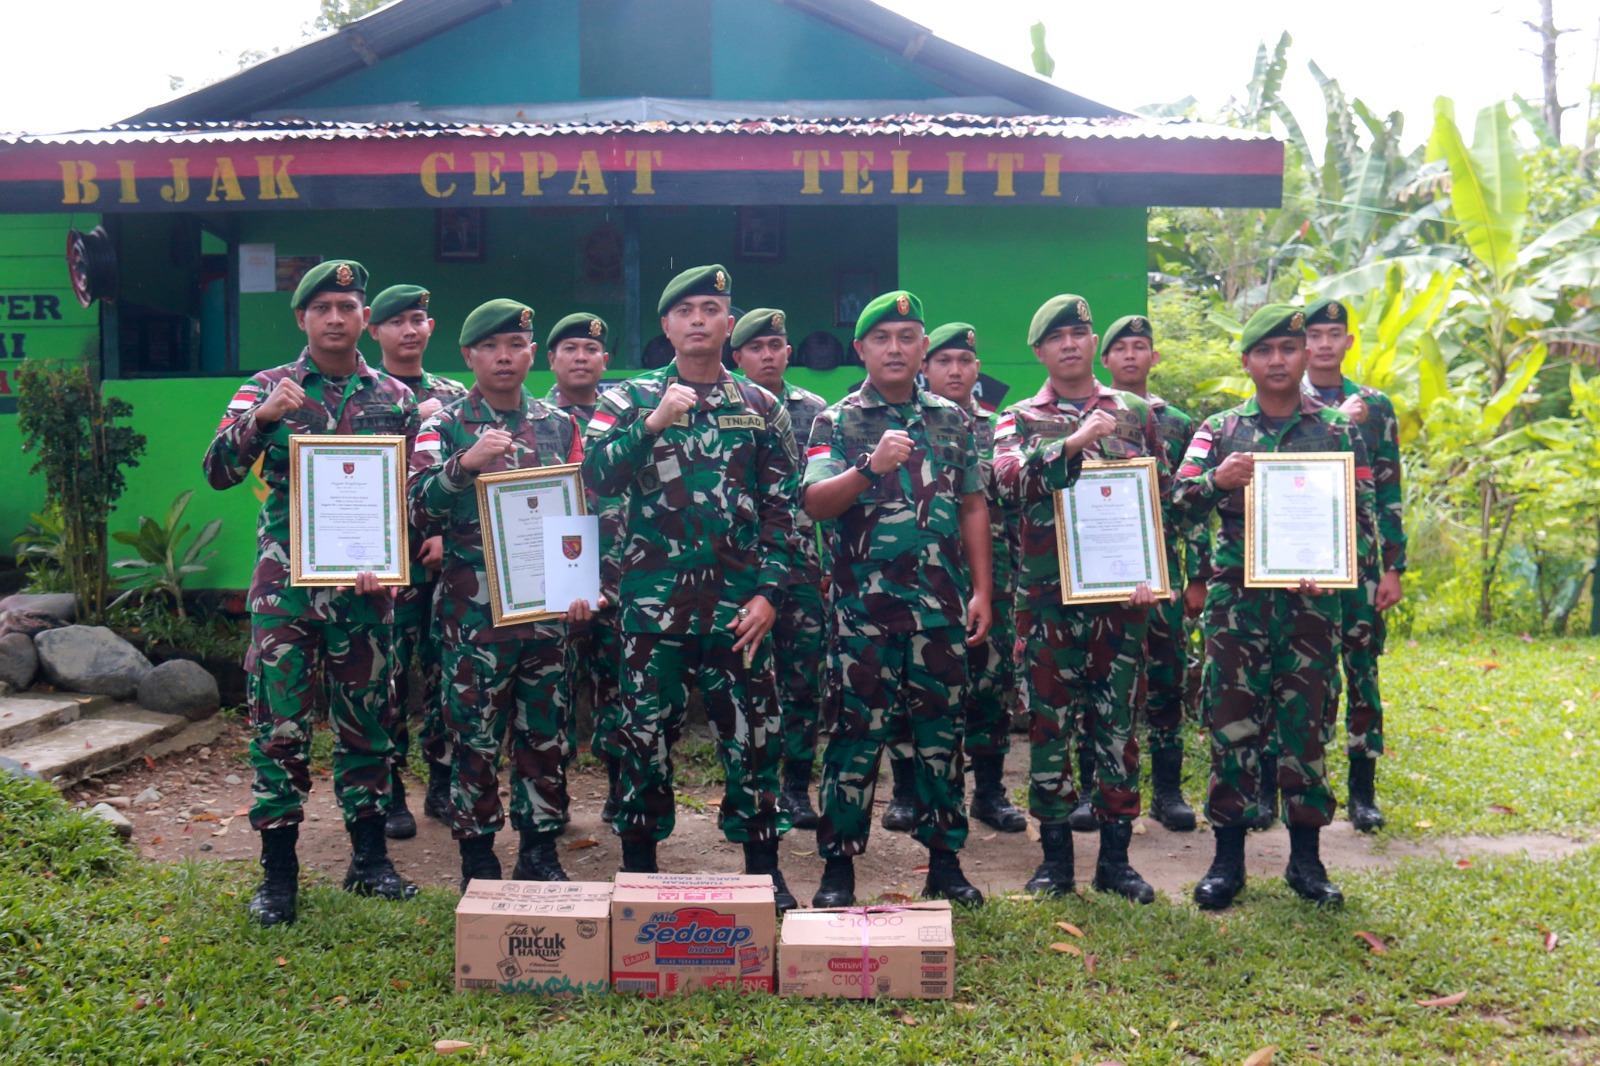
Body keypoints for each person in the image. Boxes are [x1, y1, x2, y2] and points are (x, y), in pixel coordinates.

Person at [203, 259, 418, 927]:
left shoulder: (395, 399)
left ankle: (370, 860)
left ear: (363, 319)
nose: (334, 317)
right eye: (321, 306)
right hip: (286, 593)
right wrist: (262, 420)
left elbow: (410, 493)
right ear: (302, 318)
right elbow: (218, 471)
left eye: (346, 306)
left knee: (368, 725)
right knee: (280, 729)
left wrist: (393, 556)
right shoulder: (265, 387)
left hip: (366, 591)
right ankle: (279, 875)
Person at [580, 265, 800, 911]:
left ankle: (765, 871)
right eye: (686, 309)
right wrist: (650, 423)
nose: (699, 319)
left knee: (755, 738)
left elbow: (782, 508)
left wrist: (770, 594)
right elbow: (595, 477)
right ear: (667, 325)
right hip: (653, 606)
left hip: (739, 609)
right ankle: (640, 871)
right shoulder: (627, 400)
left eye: (712, 308)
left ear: (729, 325)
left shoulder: (761, 407)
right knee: (642, 737)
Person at [1172, 304, 1376, 910]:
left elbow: (1361, 520)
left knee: (1306, 726)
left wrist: (1337, 569)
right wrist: (1218, 482)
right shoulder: (1219, 430)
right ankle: (1226, 861)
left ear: (1304, 354)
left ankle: (1306, 863)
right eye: (1266, 351)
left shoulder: (1338, 430)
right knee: (1230, 721)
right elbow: (1177, 503)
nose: (1279, 360)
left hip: (1311, 608)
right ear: (1247, 362)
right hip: (1237, 606)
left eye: (1289, 349)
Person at [805, 290, 993, 908]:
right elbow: (815, 503)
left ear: (923, 349)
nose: (895, 347)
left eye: (908, 336)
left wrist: (983, 590)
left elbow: (971, 504)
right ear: (860, 349)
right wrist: (869, 466)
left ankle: (946, 861)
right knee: (855, 739)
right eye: (882, 337)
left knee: (942, 736)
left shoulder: (953, 418)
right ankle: (839, 867)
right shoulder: (834, 420)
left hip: (938, 610)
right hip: (863, 614)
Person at [408, 299, 590, 888]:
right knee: (475, 736)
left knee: (545, 734)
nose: (504, 357)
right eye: (490, 347)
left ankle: (539, 850)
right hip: (474, 613)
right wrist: (464, 465)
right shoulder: (444, 425)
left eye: (515, 345)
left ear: (532, 352)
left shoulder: (559, 424)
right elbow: (415, 507)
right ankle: (479, 856)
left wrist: (582, 585)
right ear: (469, 356)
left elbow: (580, 508)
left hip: (545, 614)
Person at [992, 294, 1164, 904]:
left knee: (1117, 727)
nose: (1070, 344)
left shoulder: (1139, 413)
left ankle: (1116, 861)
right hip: (1045, 599)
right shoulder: (1015, 417)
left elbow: (1156, 498)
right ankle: (1055, 863)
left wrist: (1152, 570)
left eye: (1079, 333)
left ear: (1093, 343)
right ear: (1039, 352)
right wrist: (1074, 442)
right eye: (1056, 337)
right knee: (1049, 725)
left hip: (1122, 600)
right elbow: (1006, 481)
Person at [1099, 314, 1210, 833]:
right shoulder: (1087, 417)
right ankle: (1094, 786)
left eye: (1139, 347)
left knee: (1166, 679)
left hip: (1161, 571)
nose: (1129, 356)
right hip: (1099, 575)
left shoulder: (1178, 423)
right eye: (1119, 348)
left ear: (1153, 358)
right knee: (1101, 681)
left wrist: (1199, 577)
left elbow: (1195, 499)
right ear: (1105, 359)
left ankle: (1167, 790)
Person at [366, 283, 469, 838]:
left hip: (443, 559)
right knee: (387, 673)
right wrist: (409, 422)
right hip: (380, 560)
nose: (410, 330)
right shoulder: (365, 393)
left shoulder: (455, 394)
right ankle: (390, 788)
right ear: (374, 330)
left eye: (418, 319)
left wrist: (445, 536)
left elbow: (467, 478)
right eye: (396, 321)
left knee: (444, 672)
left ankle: (442, 780)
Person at [1300, 297, 1404, 832]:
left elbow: (1389, 486)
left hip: (1362, 562)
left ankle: (1363, 790)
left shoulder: (1376, 405)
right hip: (1305, 559)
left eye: (1332, 334)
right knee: (1310, 675)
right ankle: (1305, 784)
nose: (1322, 344)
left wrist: (1393, 566)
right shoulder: (1285, 398)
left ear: (1347, 342)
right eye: (1313, 334)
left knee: (1362, 671)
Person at [918, 322, 1026, 834]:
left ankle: (989, 791)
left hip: (993, 580)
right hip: (923, 577)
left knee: (989, 684)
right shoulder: (910, 423)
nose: (955, 370)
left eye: (964, 361)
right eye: (943, 361)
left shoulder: (1001, 429)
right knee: (916, 687)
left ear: (977, 369)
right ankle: (908, 792)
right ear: (925, 366)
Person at [730, 307, 828, 830]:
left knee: (803, 679)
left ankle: (795, 786)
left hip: (804, 568)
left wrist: (830, 562)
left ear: (789, 352)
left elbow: (828, 491)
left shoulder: (814, 410)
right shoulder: (725, 407)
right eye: (756, 349)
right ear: (738, 356)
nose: (768, 356)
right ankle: (748, 785)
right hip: (746, 569)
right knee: (747, 682)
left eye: (776, 346)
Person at [543, 312, 626, 825]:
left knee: (619, 683)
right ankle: (553, 797)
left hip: (619, 569)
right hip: (553, 571)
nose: (580, 357)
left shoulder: (626, 417)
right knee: (553, 685)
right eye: (569, 348)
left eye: (590, 350)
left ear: (605, 361)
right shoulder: (536, 419)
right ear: (550, 360)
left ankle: (620, 789)